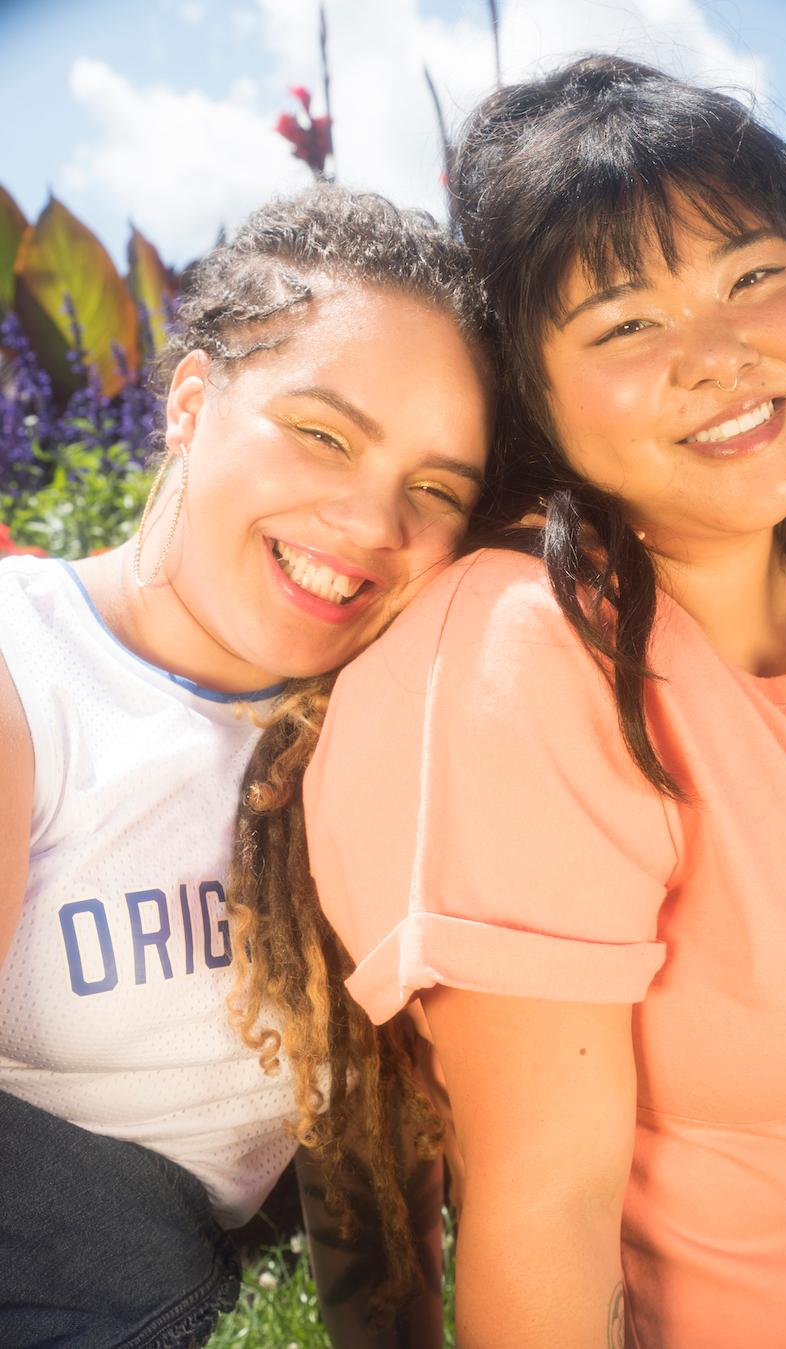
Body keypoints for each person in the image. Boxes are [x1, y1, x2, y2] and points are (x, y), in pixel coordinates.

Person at [299, 58, 786, 1349]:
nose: (721, 355)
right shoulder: (526, 660)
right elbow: (546, 1206)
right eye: (626, 323)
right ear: (534, 391)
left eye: (753, 276)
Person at [0, 184, 493, 1348]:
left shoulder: (373, 734)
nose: (375, 519)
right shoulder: (33, 670)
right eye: (323, 432)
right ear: (187, 400)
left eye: (436, 489)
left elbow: (371, 1165)